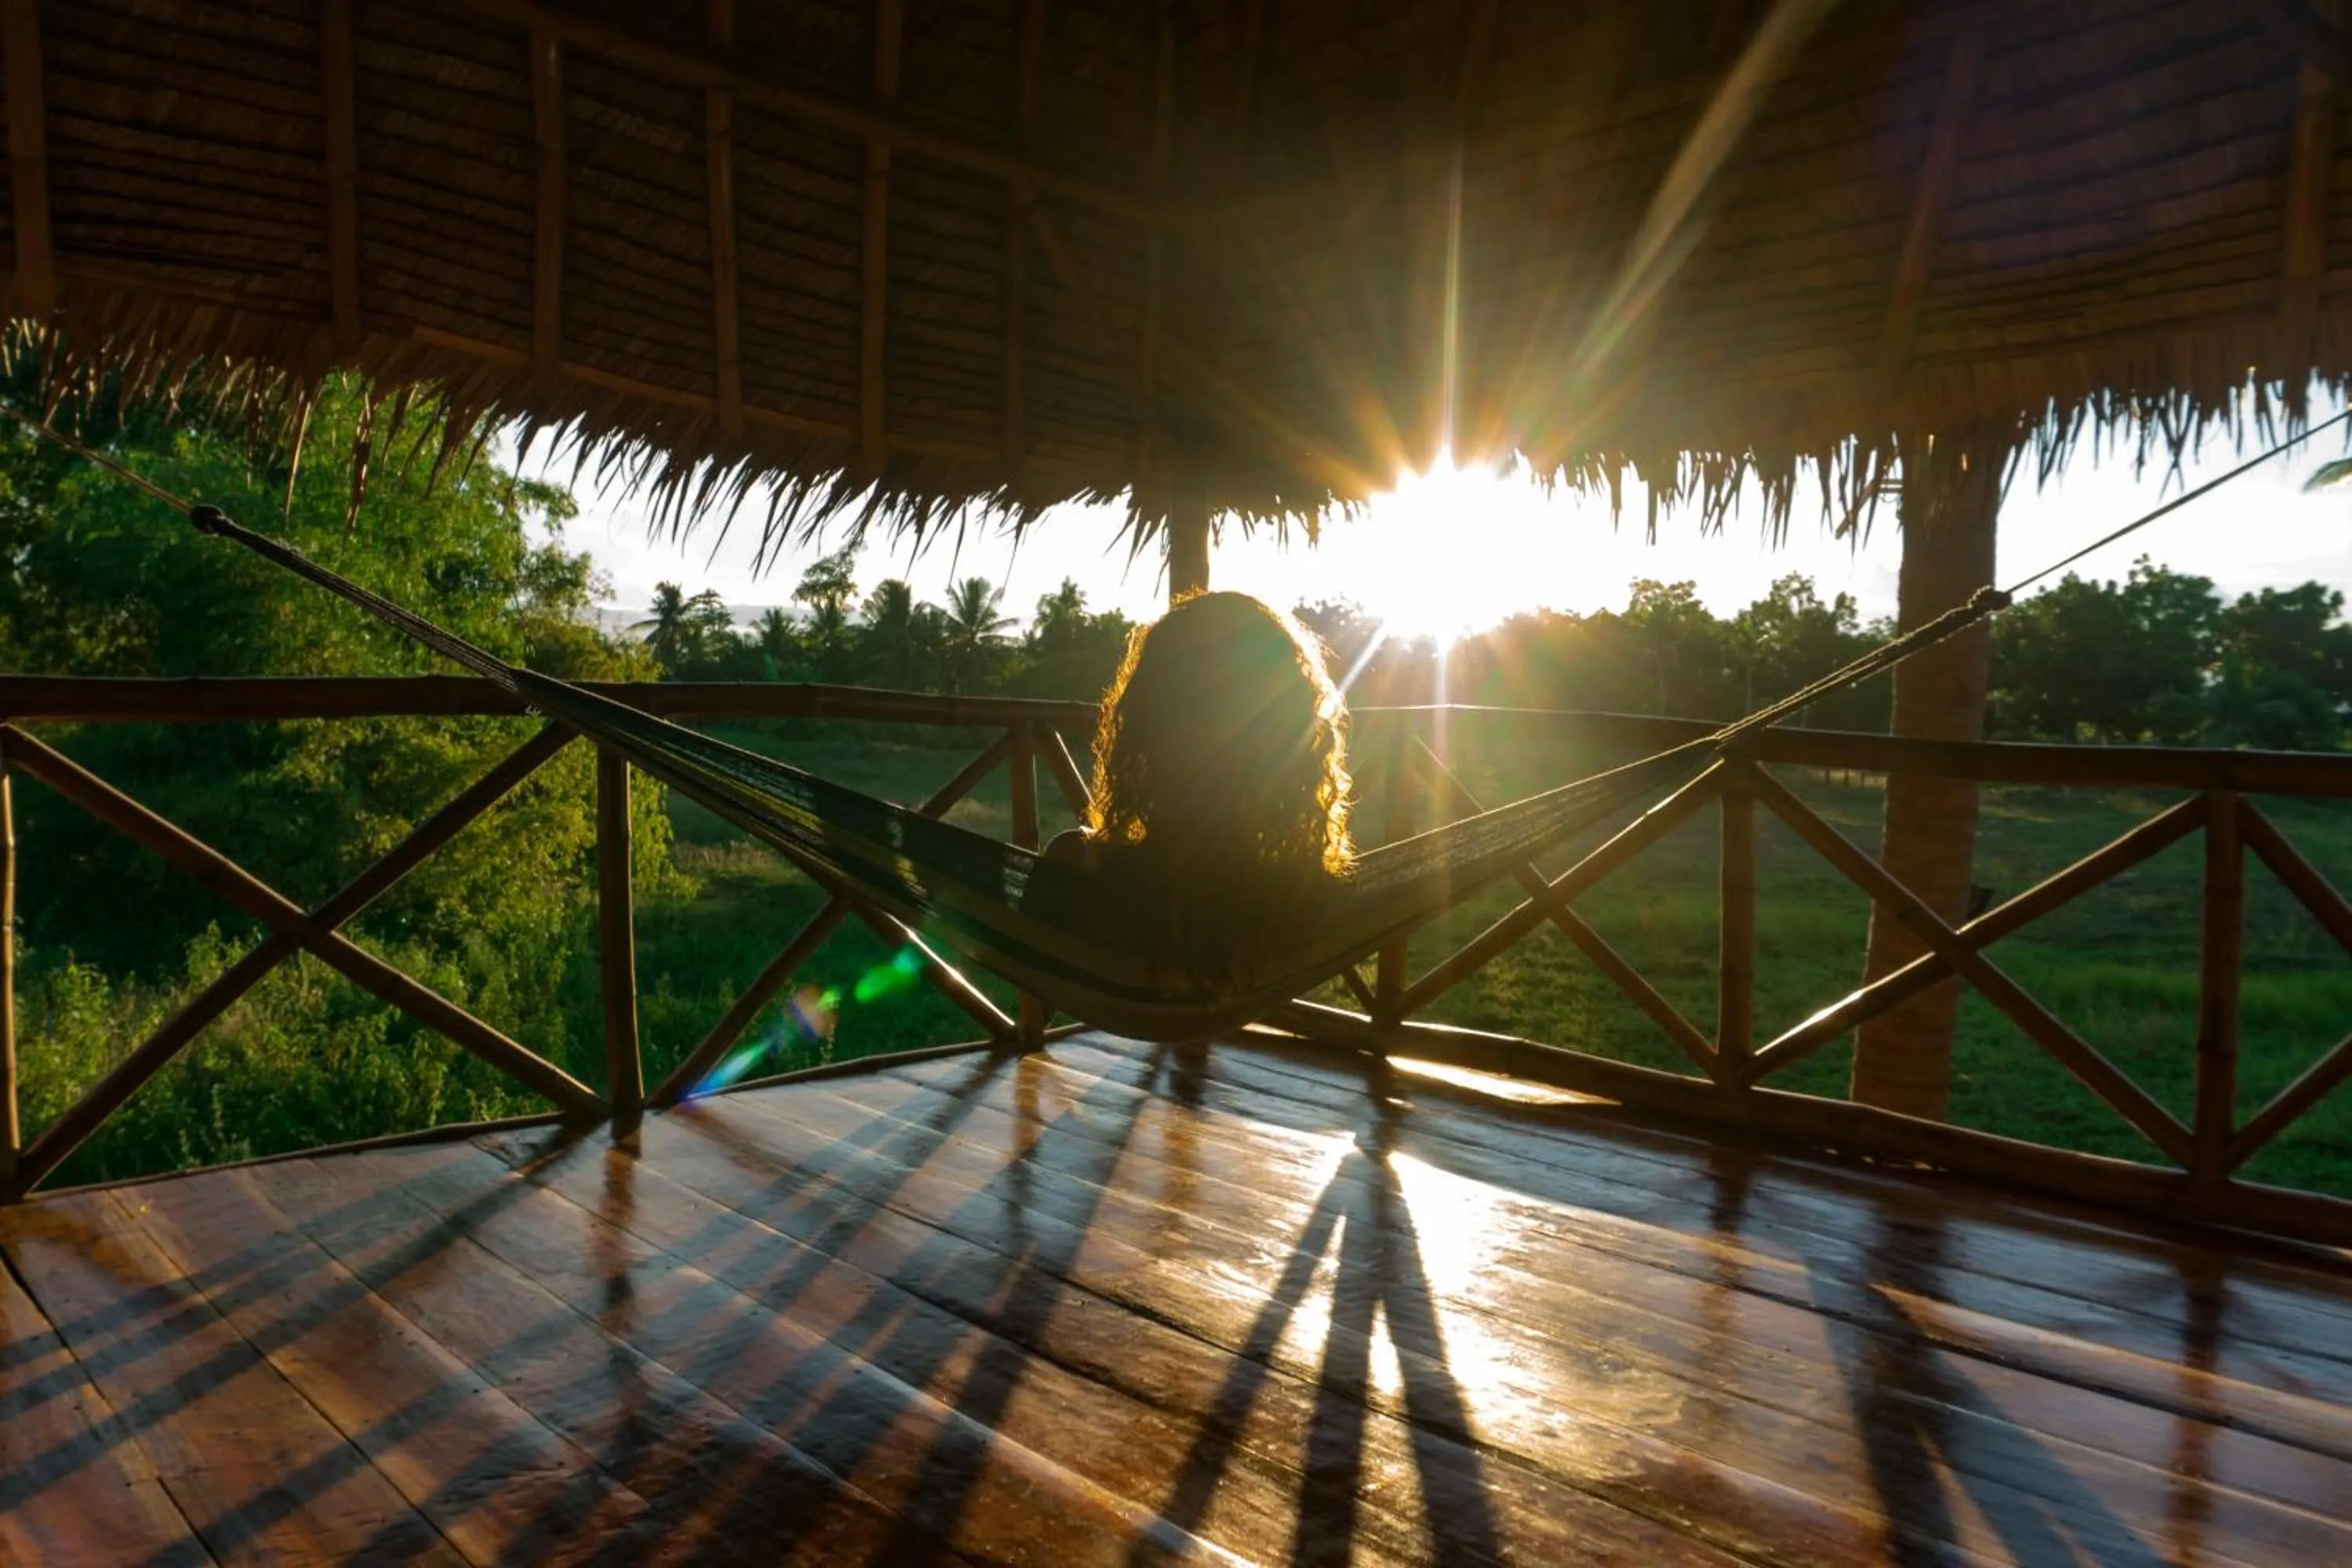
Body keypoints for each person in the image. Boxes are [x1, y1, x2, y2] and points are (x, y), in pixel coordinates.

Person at [1040, 590, 1355, 989]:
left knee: (1067, 849)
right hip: (1251, 935)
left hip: (1126, 958)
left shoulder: (1092, 875)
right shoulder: (1309, 897)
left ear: (1147, 724)